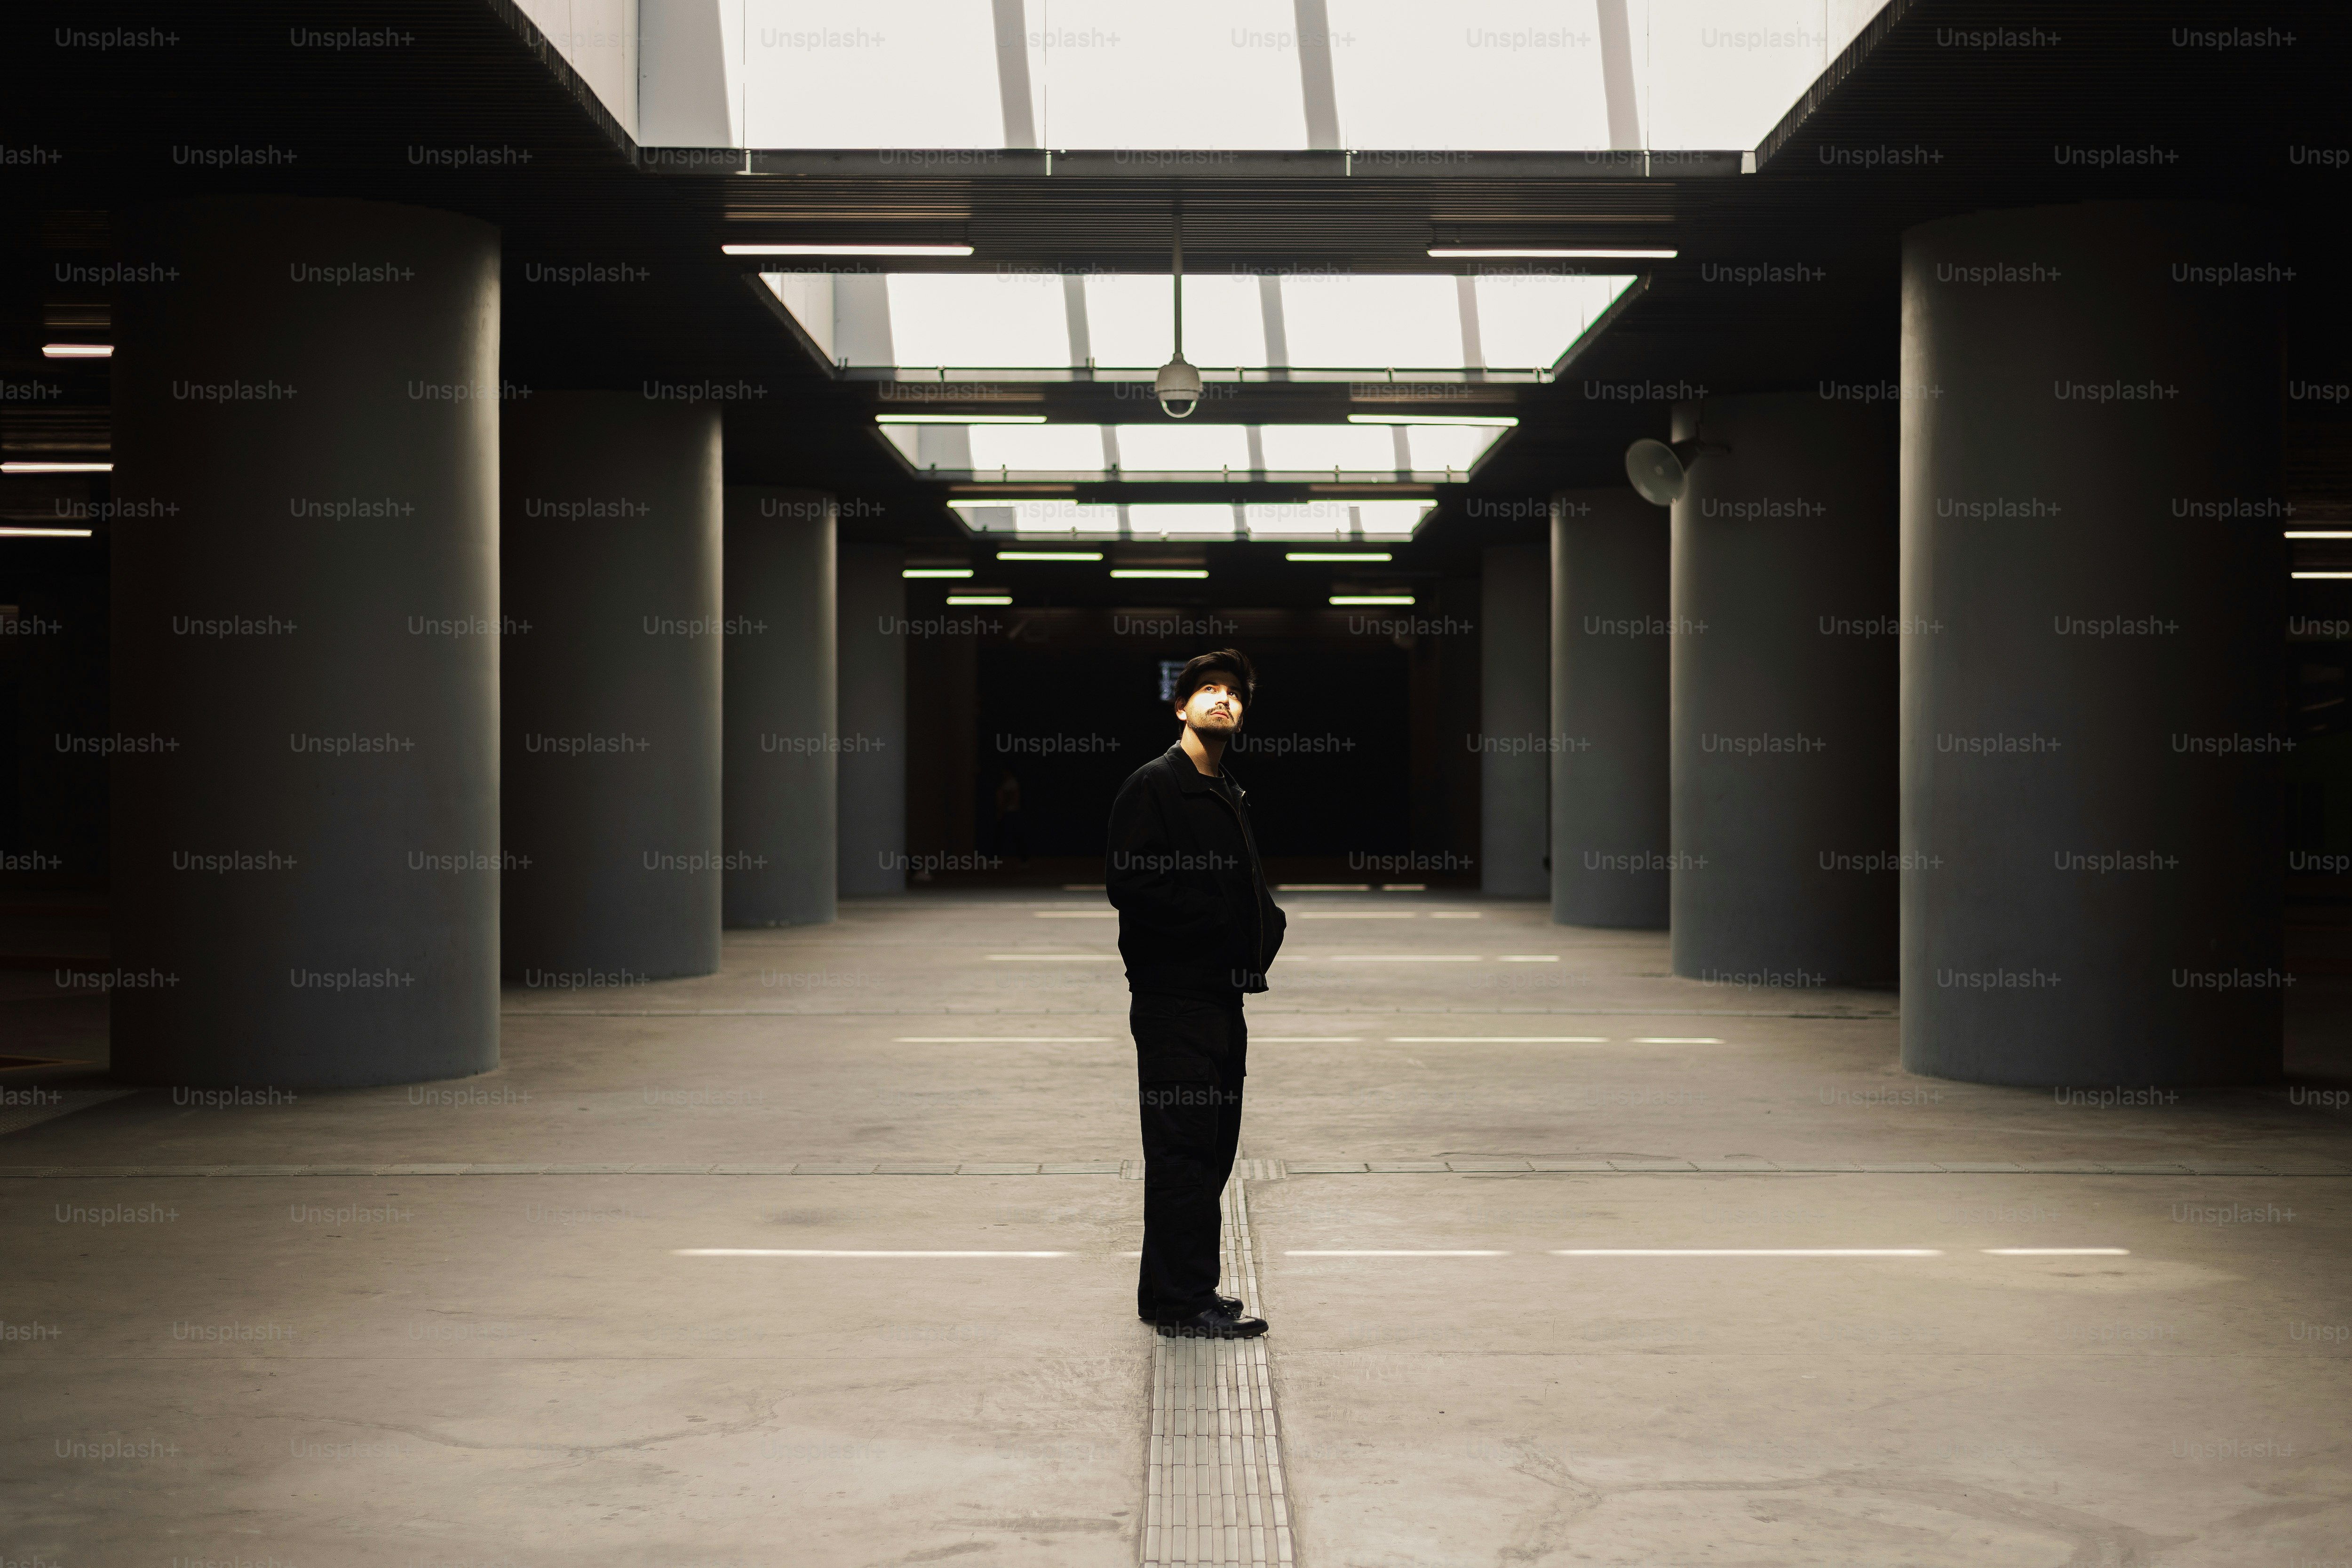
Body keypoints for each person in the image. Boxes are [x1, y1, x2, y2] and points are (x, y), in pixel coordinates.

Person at [1106, 649, 1287, 1338]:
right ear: (1181, 707)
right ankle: (1187, 1302)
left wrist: (1267, 927)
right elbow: (1131, 885)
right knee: (1183, 1152)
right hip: (1174, 1000)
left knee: (1209, 1150)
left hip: (1220, 999)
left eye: (1234, 693)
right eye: (1208, 689)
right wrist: (1220, 927)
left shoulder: (1226, 789)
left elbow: (1245, 887)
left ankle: (1167, 1291)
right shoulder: (1155, 785)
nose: (1223, 699)